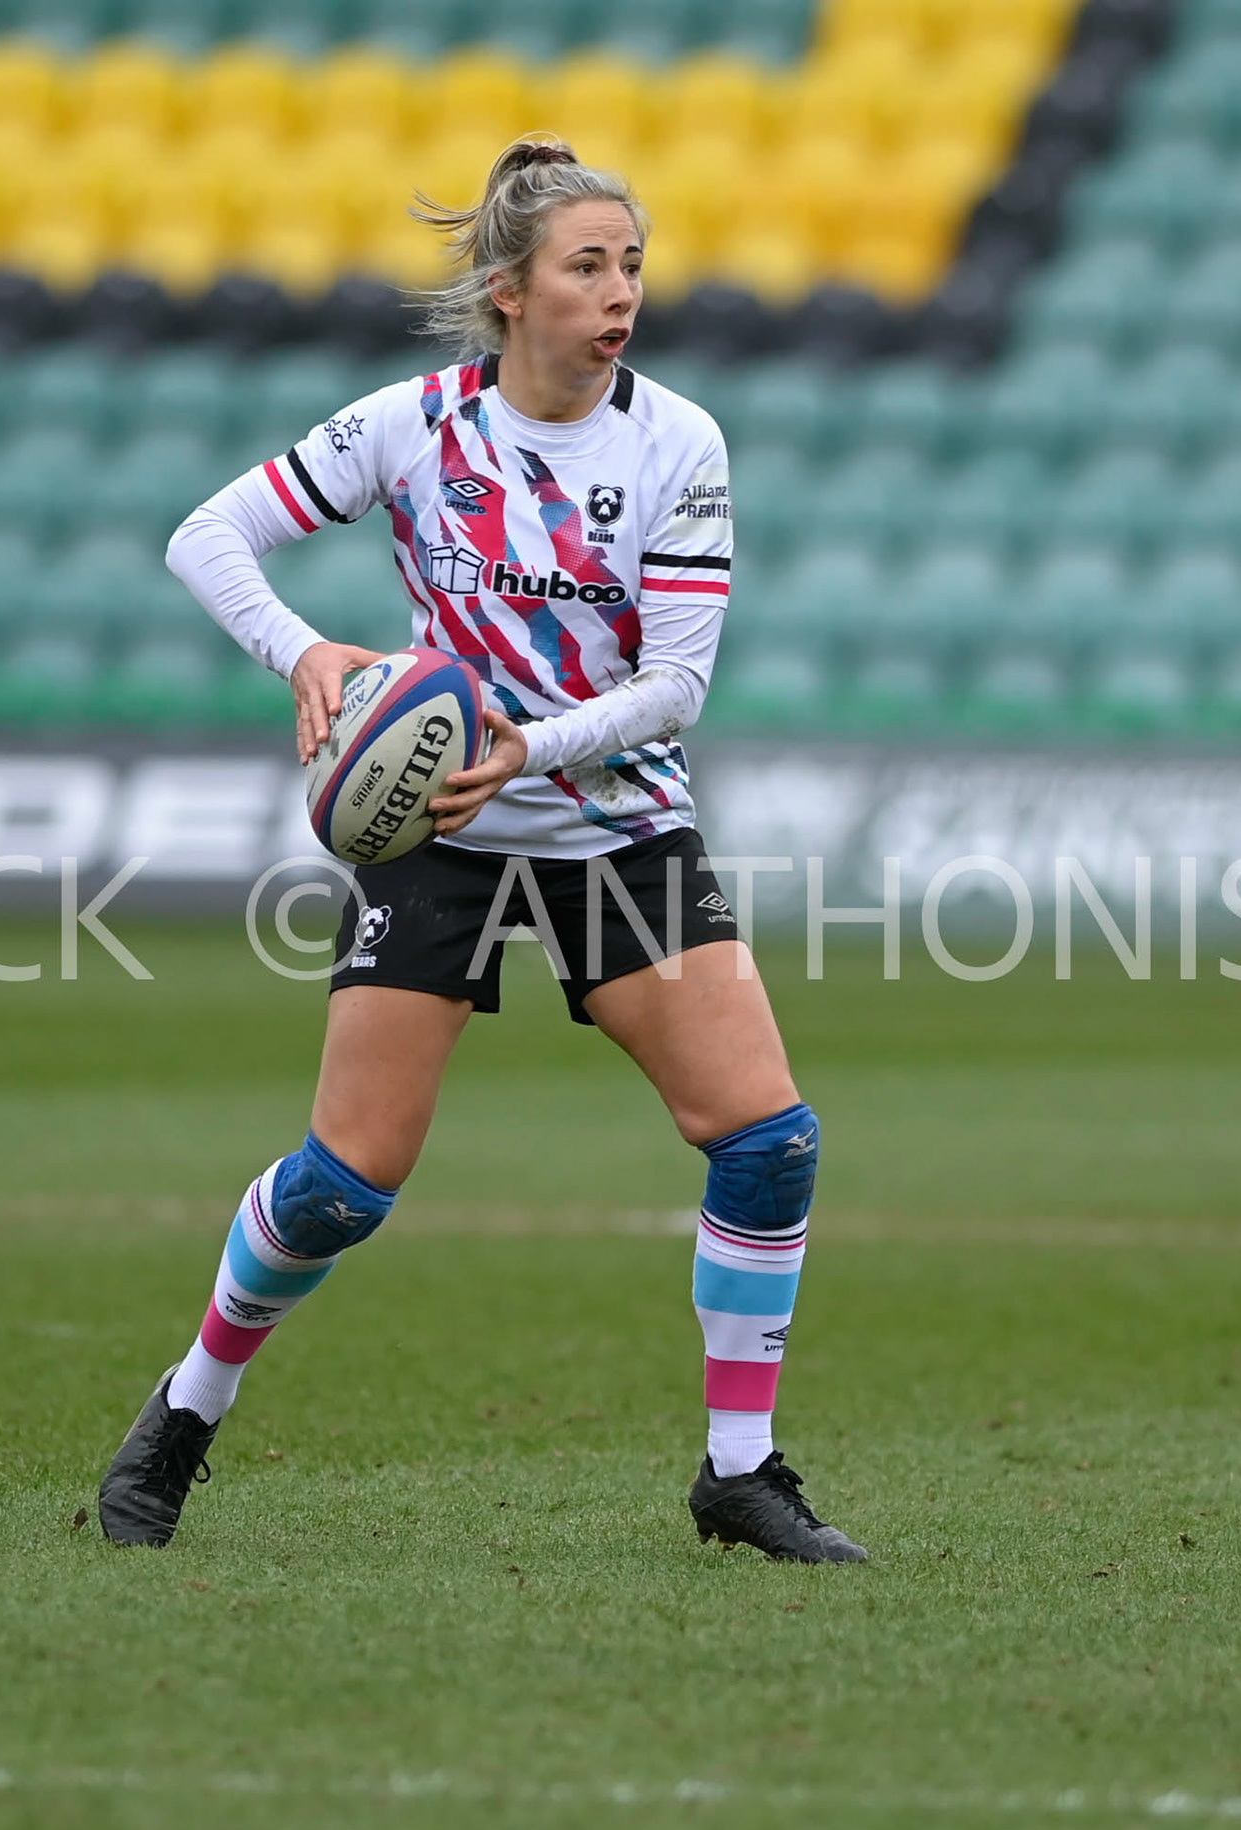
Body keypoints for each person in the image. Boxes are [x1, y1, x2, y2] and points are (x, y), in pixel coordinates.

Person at [97, 135, 866, 1566]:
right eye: (588, 266)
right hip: (436, 839)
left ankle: (740, 1472)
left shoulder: (678, 443)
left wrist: (530, 745)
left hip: (616, 824)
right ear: (510, 290)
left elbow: (676, 689)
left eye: (631, 264)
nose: (619, 291)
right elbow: (208, 538)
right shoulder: (413, 425)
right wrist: (305, 651)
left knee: (768, 1145)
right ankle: (185, 1413)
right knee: (341, 1186)